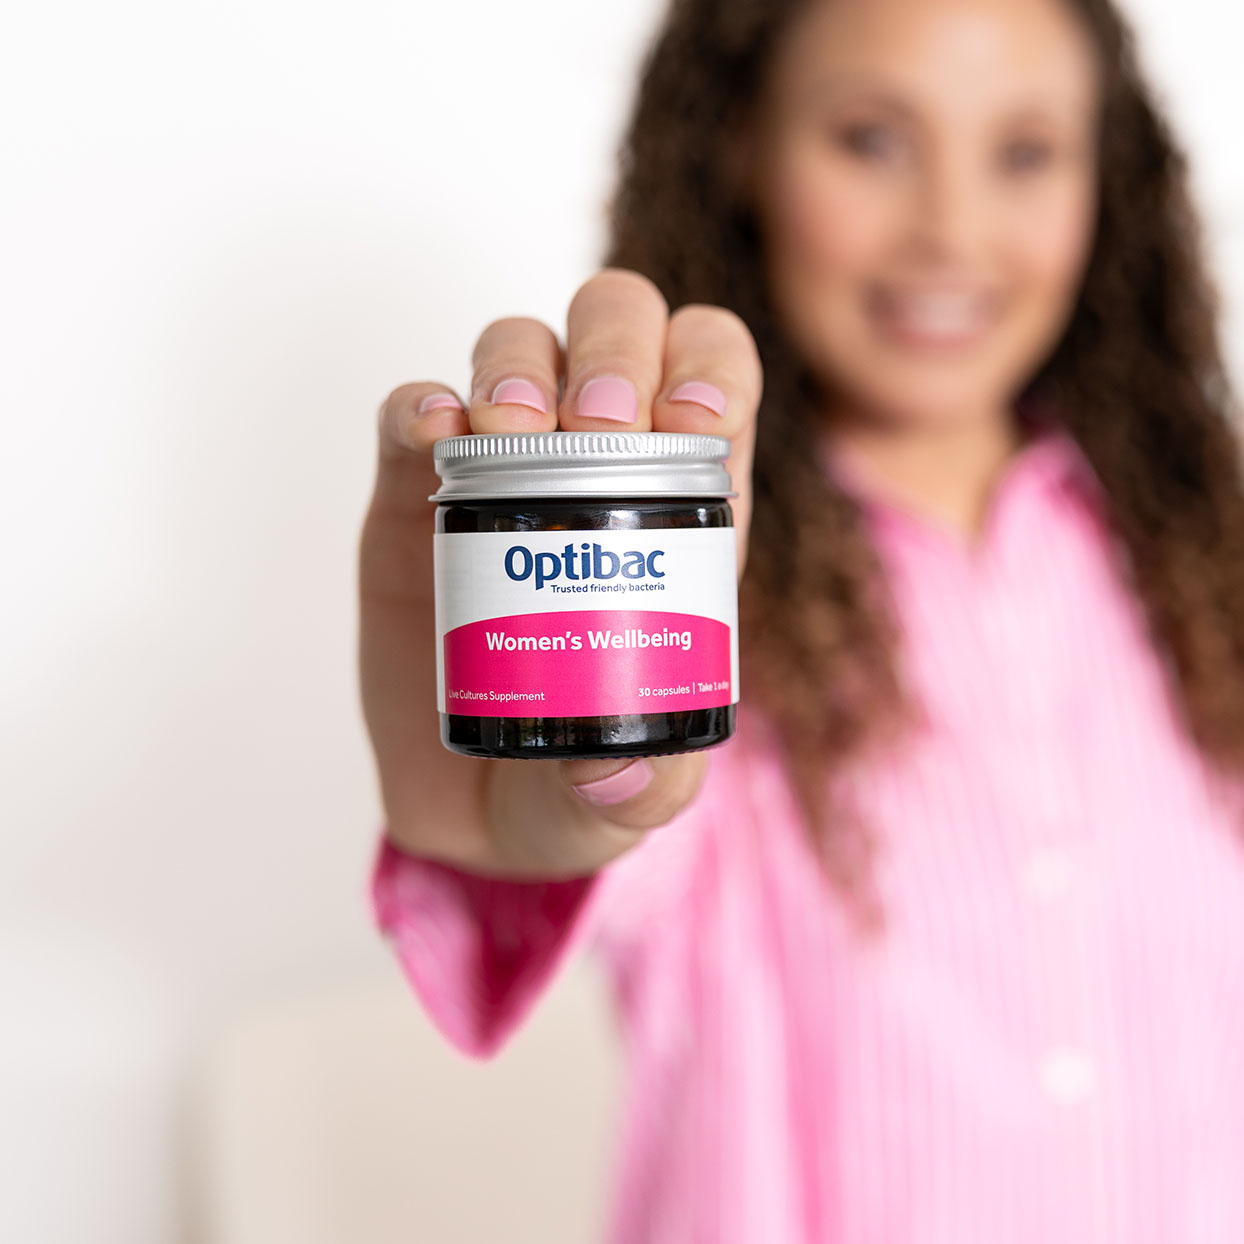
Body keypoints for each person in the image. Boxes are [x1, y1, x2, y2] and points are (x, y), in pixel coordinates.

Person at [357, 0, 1244, 1238]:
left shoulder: (1203, 563)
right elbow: (567, 831)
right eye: (872, 140)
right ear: (738, 143)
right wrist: (529, 800)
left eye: (1025, 150)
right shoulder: (684, 585)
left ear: (1112, 173)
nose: (951, 228)